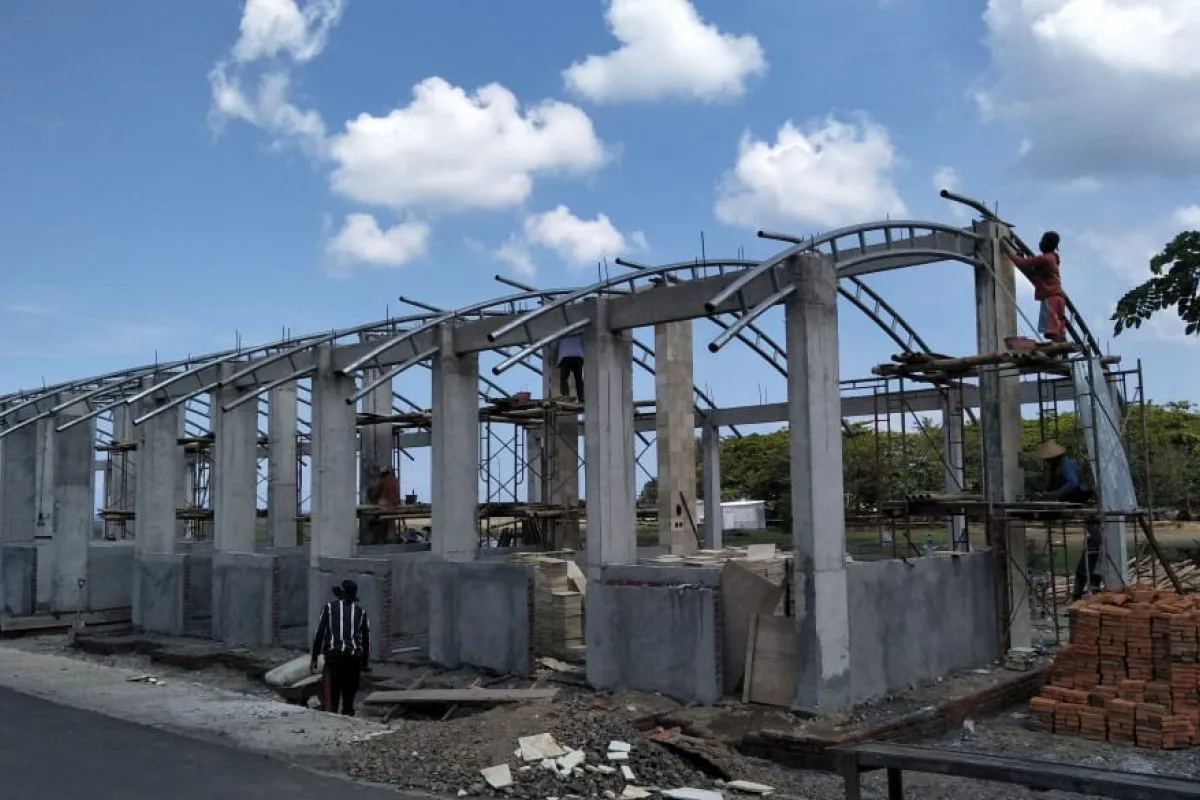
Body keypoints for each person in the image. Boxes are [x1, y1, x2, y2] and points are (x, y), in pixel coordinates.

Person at [311, 579, 371, 716]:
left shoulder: (329, 608)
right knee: (348, 702)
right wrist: (364, 663)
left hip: (334, 658)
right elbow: (366, 641)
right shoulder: (361, 612)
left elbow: (319, 634)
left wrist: (314, 657)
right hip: (353, 659)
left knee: (333, 698)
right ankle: (347, 719)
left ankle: (334, 721)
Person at [1004, 231, 1066, 343]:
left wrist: (1008, 252)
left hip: (1051, 298)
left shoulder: (1046, 259)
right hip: (1058, 299)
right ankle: (1061, 347)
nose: (1040, 243)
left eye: (1043, 240)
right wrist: (1021, 257)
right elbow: (1032, 270)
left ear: (1049, 243)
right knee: (1059, 329)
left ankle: (1057, 347)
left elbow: (1024, 263)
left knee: (1052, 330)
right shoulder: (1052, 259)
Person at [1035, 440, 1094, 504]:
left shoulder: (1066, 464)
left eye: (1048, 460)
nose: (1048, 462)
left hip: (1080, 492)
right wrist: (1046, 493)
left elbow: (1073, 483)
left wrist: (1056, 493)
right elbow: (1051, 485)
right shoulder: (1055, 467)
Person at [1073, 517, 1104, 601]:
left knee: (1095, 591)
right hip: (1084, 569)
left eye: (1089, 526)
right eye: (1087, 526)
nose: (1088, 529)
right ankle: (1076, 603)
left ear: (1096, 526)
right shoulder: (1090, 538)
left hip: (1094, 570)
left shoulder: (1098, 537)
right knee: (1078, 592)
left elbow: (1094, 553)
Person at [555, 335, 584, 399]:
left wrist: (555, 358)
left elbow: (556, 348)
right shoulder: (579, 334)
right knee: (579, 380)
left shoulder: (561, 335)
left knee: (564, 380)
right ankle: (581, 398)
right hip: (578, 357)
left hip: (565, 358)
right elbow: (583, 344)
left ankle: (566, 397)